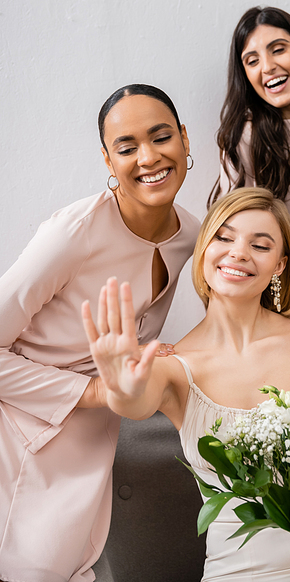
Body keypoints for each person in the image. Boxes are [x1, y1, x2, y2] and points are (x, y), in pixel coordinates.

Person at [83, 187, 290, 582]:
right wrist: (120, 385)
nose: (238, 252)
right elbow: (136, 402)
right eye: (223, 238)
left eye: (259, 246)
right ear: (204, 249)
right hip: (238, 572)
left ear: (279, 266)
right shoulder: (175, 365)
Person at [0, 84, 200, 582]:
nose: (148, 157)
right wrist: (91, 391)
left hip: (94, 442)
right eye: (127, 147)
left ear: (185, 140)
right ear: (109, 161)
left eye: (161, 137)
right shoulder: (73, 233)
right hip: (21, 430)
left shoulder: (192, 236)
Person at [210, 6, 290, 329]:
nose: (267, 67)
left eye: (278, 49)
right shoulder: (244, 139)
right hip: (273, 309)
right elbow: (225, 240)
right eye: (251, 60)